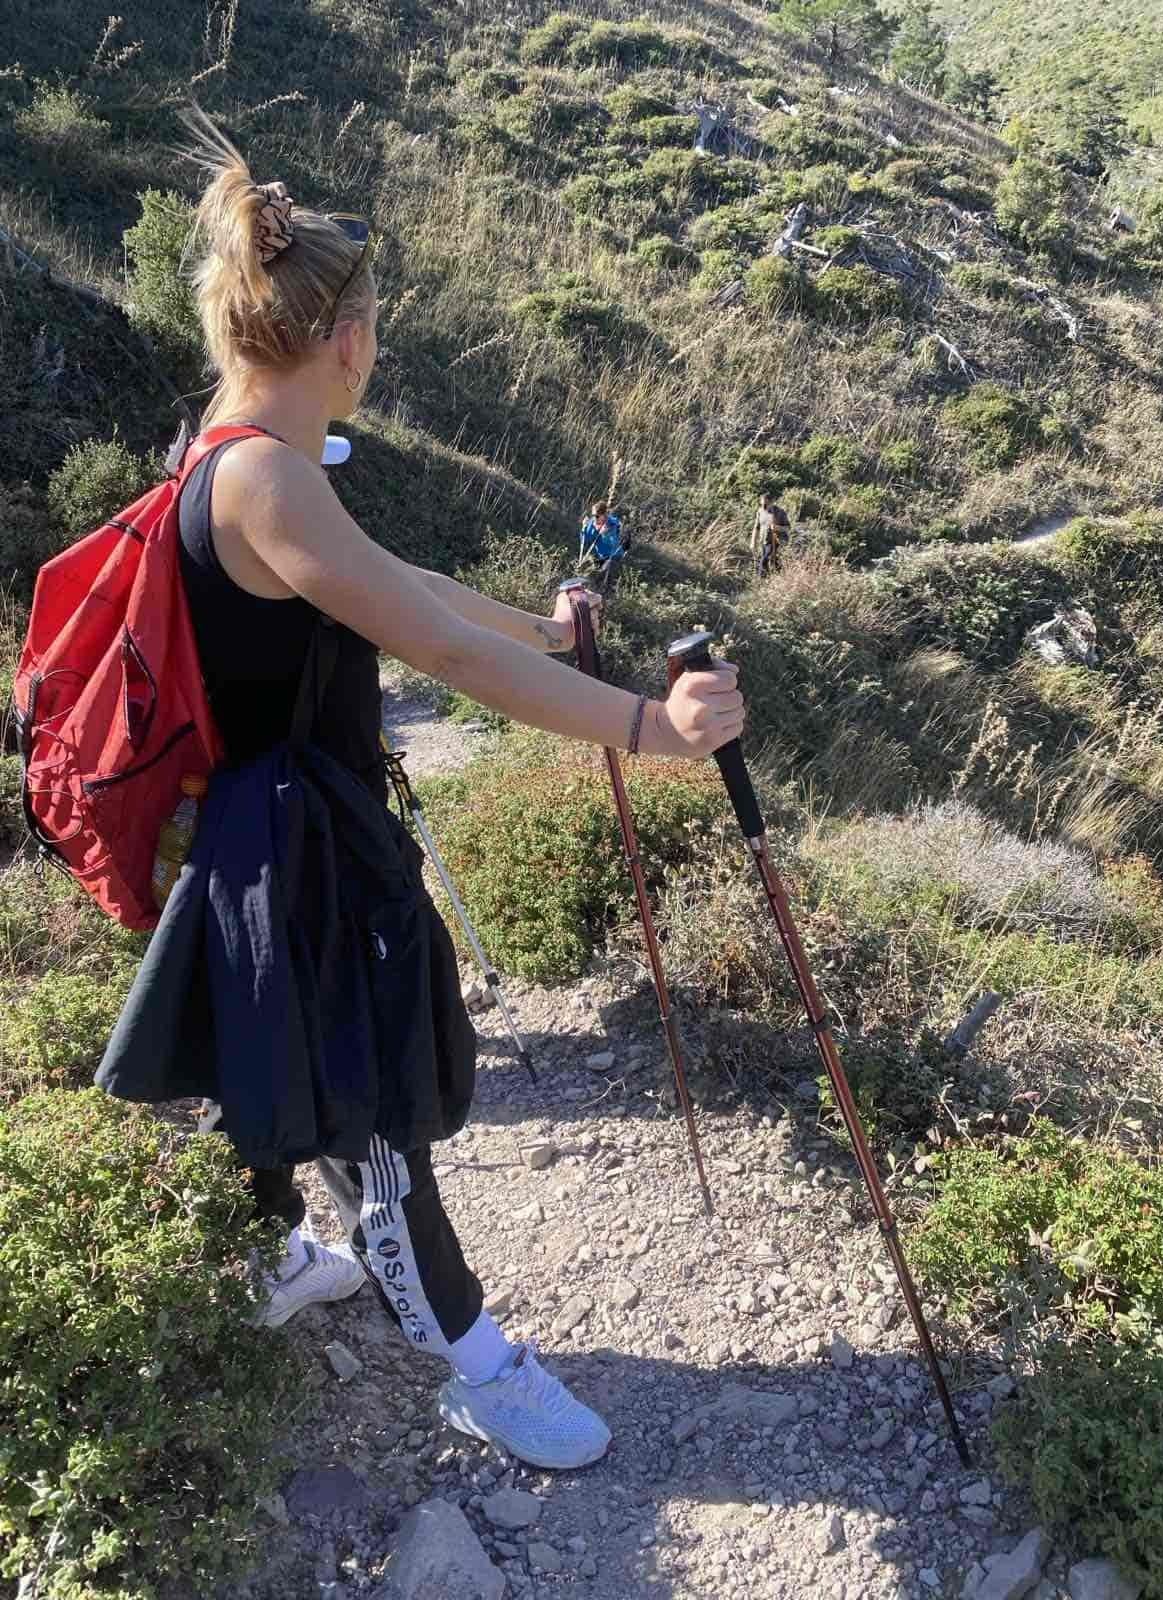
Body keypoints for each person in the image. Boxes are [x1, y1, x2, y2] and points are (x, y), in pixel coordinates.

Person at [145, 113, 743, 1473]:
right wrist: (654, 726)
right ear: (343, 339)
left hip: (252, 844)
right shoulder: (269, 484)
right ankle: (473, 1359)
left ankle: (272, 1265)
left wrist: (548, 632)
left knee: (276, 1064)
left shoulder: (235, 458)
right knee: (373, 1107)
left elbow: (405, 592)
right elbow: (439, 652)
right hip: (303, 856)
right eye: (376, 327)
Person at [578, 499, 627, 590]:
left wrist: (605, 534)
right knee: (586, 573)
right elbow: (585, 540)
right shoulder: (592, 522)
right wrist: (584, 528)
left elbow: (613, 544)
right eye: (593, 515)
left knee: (603, 575)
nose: (594, 518)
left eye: (597, 516)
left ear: (604, 515)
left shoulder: (612, 524)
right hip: (600, 556)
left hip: (613, 556)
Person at [751, 492, 790, 578]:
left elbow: (787, 528)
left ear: (771, 502)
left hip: (776, 540)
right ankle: (780, 576)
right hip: (763, 540)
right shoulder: (760, 511)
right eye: (762, 504)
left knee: (764, 559)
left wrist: (777, 527)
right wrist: (753, 542)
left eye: (766, 504)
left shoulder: (780, 512)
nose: (764, 506)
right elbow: (756, 527)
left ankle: (761, 579)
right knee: (773, 559)